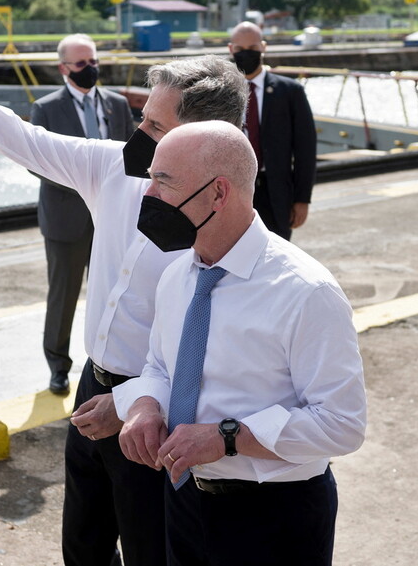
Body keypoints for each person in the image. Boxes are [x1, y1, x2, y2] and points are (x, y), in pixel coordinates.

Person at [0, 30, 248, 566]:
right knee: (82, 541)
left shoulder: (224, 231)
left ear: (201, 139)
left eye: (154, 125)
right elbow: (16, 135)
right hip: (91, 384)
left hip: (156, 412)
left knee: (151, 548)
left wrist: (128, 405)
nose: (139, 134)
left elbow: (218, 355)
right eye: (142, 119)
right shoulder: (111, 168)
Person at [115, 120, 367, 565]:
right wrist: (144, 406)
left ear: (219, 193)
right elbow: (159, 366)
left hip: (273, 517)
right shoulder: (178, 274)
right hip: (184, 501)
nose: (148, 195)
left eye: (163, 181)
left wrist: (227, 438)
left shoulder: (306, 291)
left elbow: (342, 424)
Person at [31, 34, 134, 396]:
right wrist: (85, 184)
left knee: (117, 292)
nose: (90, 69)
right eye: (81, 64)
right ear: (63, 68)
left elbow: (132, 153)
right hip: (67, 220)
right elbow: (37, 162)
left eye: (93, 62)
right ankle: (58, 367)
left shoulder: (117, 104)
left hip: (111, 217)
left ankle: (113, 364)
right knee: (63, 296)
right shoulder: (46, 108)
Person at [229, 21, 318, 241]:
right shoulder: (221, 92)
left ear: (263, 47)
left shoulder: (290, 92)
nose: (246, 54)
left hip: (276, 192)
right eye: (240, 49)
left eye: (252, 48)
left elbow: (305, 149)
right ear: (231, 49)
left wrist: (302, 199)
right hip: (232, 191)